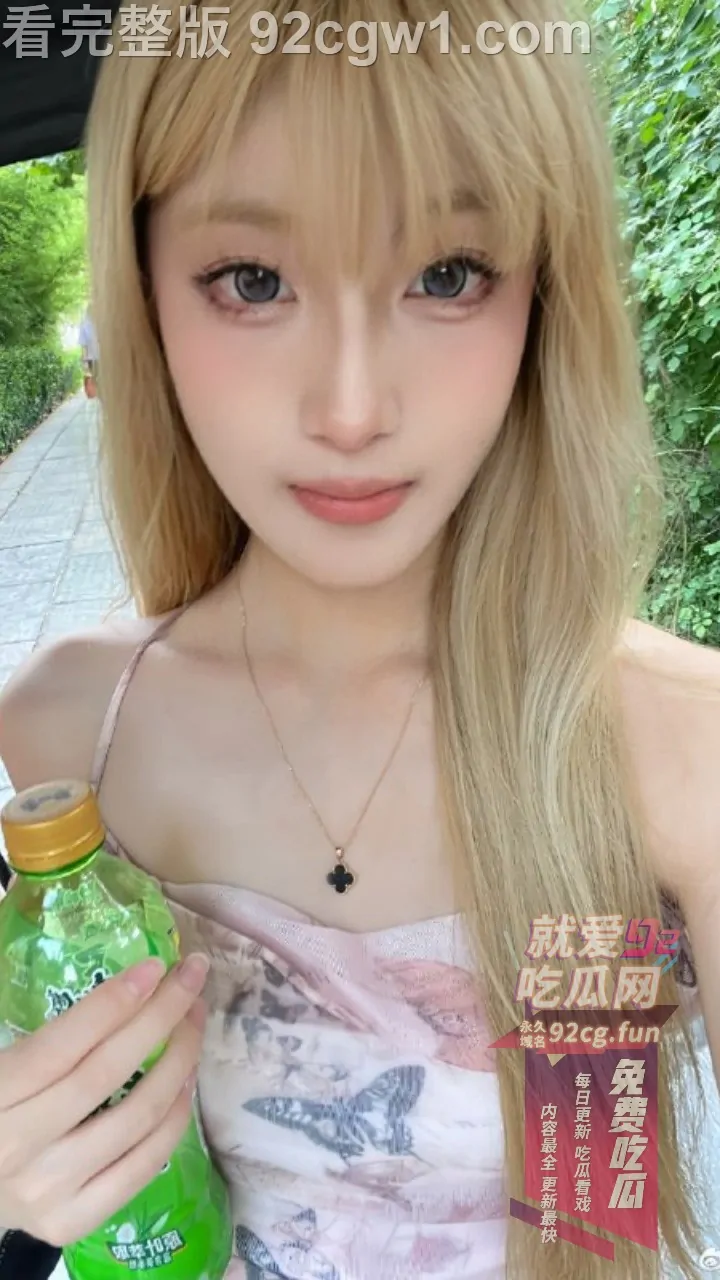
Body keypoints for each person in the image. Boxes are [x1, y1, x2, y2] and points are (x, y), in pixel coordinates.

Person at [0, 2, 717, 1277]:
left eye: (447, 274)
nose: (349, 409)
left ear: (544, 290)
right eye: (253, 279)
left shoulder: (667, 748)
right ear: (144, 289)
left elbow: (588, 1210)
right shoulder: (65, 739)